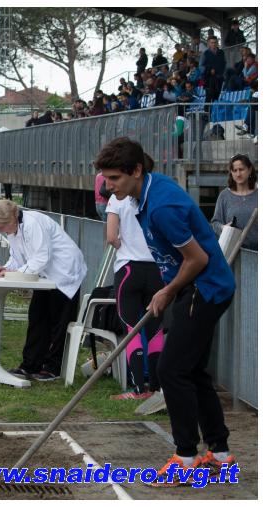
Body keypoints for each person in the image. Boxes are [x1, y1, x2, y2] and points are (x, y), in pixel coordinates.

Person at [95, 137, 237, 486]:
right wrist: (171, 286)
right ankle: (220, 455)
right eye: (106, 179)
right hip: (195, 286)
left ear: (136, 170)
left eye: (114, 178)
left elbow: (198, 258)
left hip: (205, 288)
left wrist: (167, 290)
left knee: (171, 370)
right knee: (193, 370)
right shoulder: (143, 194)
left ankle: (185, 457)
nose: (108, 186)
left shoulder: (161, 206)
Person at [0, 200, 87, 381]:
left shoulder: (33, 224)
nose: (1, 231)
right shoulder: (13, 229)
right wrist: (5, 269)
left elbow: (41, 257)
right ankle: (30, 364)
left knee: (59, 321)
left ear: (12, 218)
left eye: (1, 227)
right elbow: (17, 257)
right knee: (37, 316)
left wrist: (15, 273)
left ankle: (53, 367)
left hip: (64, 272)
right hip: (44, 274)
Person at [105, 155, 165, 400]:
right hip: (156, 269)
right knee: (155, 329)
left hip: (129, 268)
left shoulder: (117, 199)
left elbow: (111, 236)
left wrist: (125, 246)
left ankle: (139, 388)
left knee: (131, 328)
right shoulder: (156, 196)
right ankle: (157, 388)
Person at [211, 154, 258, 250]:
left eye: (241, 169)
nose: (238, 174)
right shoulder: (225, 196)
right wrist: (223, 228)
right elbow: (215, 223)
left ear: (249, 170)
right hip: (232, 251)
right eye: (235, 170)